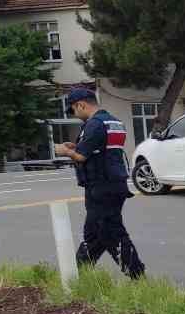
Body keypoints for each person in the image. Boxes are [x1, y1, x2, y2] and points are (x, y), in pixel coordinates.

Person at [53, 87, 145, 279]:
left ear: (81, 104)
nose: (75, 115)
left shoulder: (94, 124)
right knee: (94, 234)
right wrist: (76, 146)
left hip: (101, 186)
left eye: (74, 110)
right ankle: (77, 275)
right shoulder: (114, 121)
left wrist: (65, 150)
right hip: (114, 182)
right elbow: (102, 149)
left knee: (111, 233)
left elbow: (81, 156)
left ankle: (137, 275)